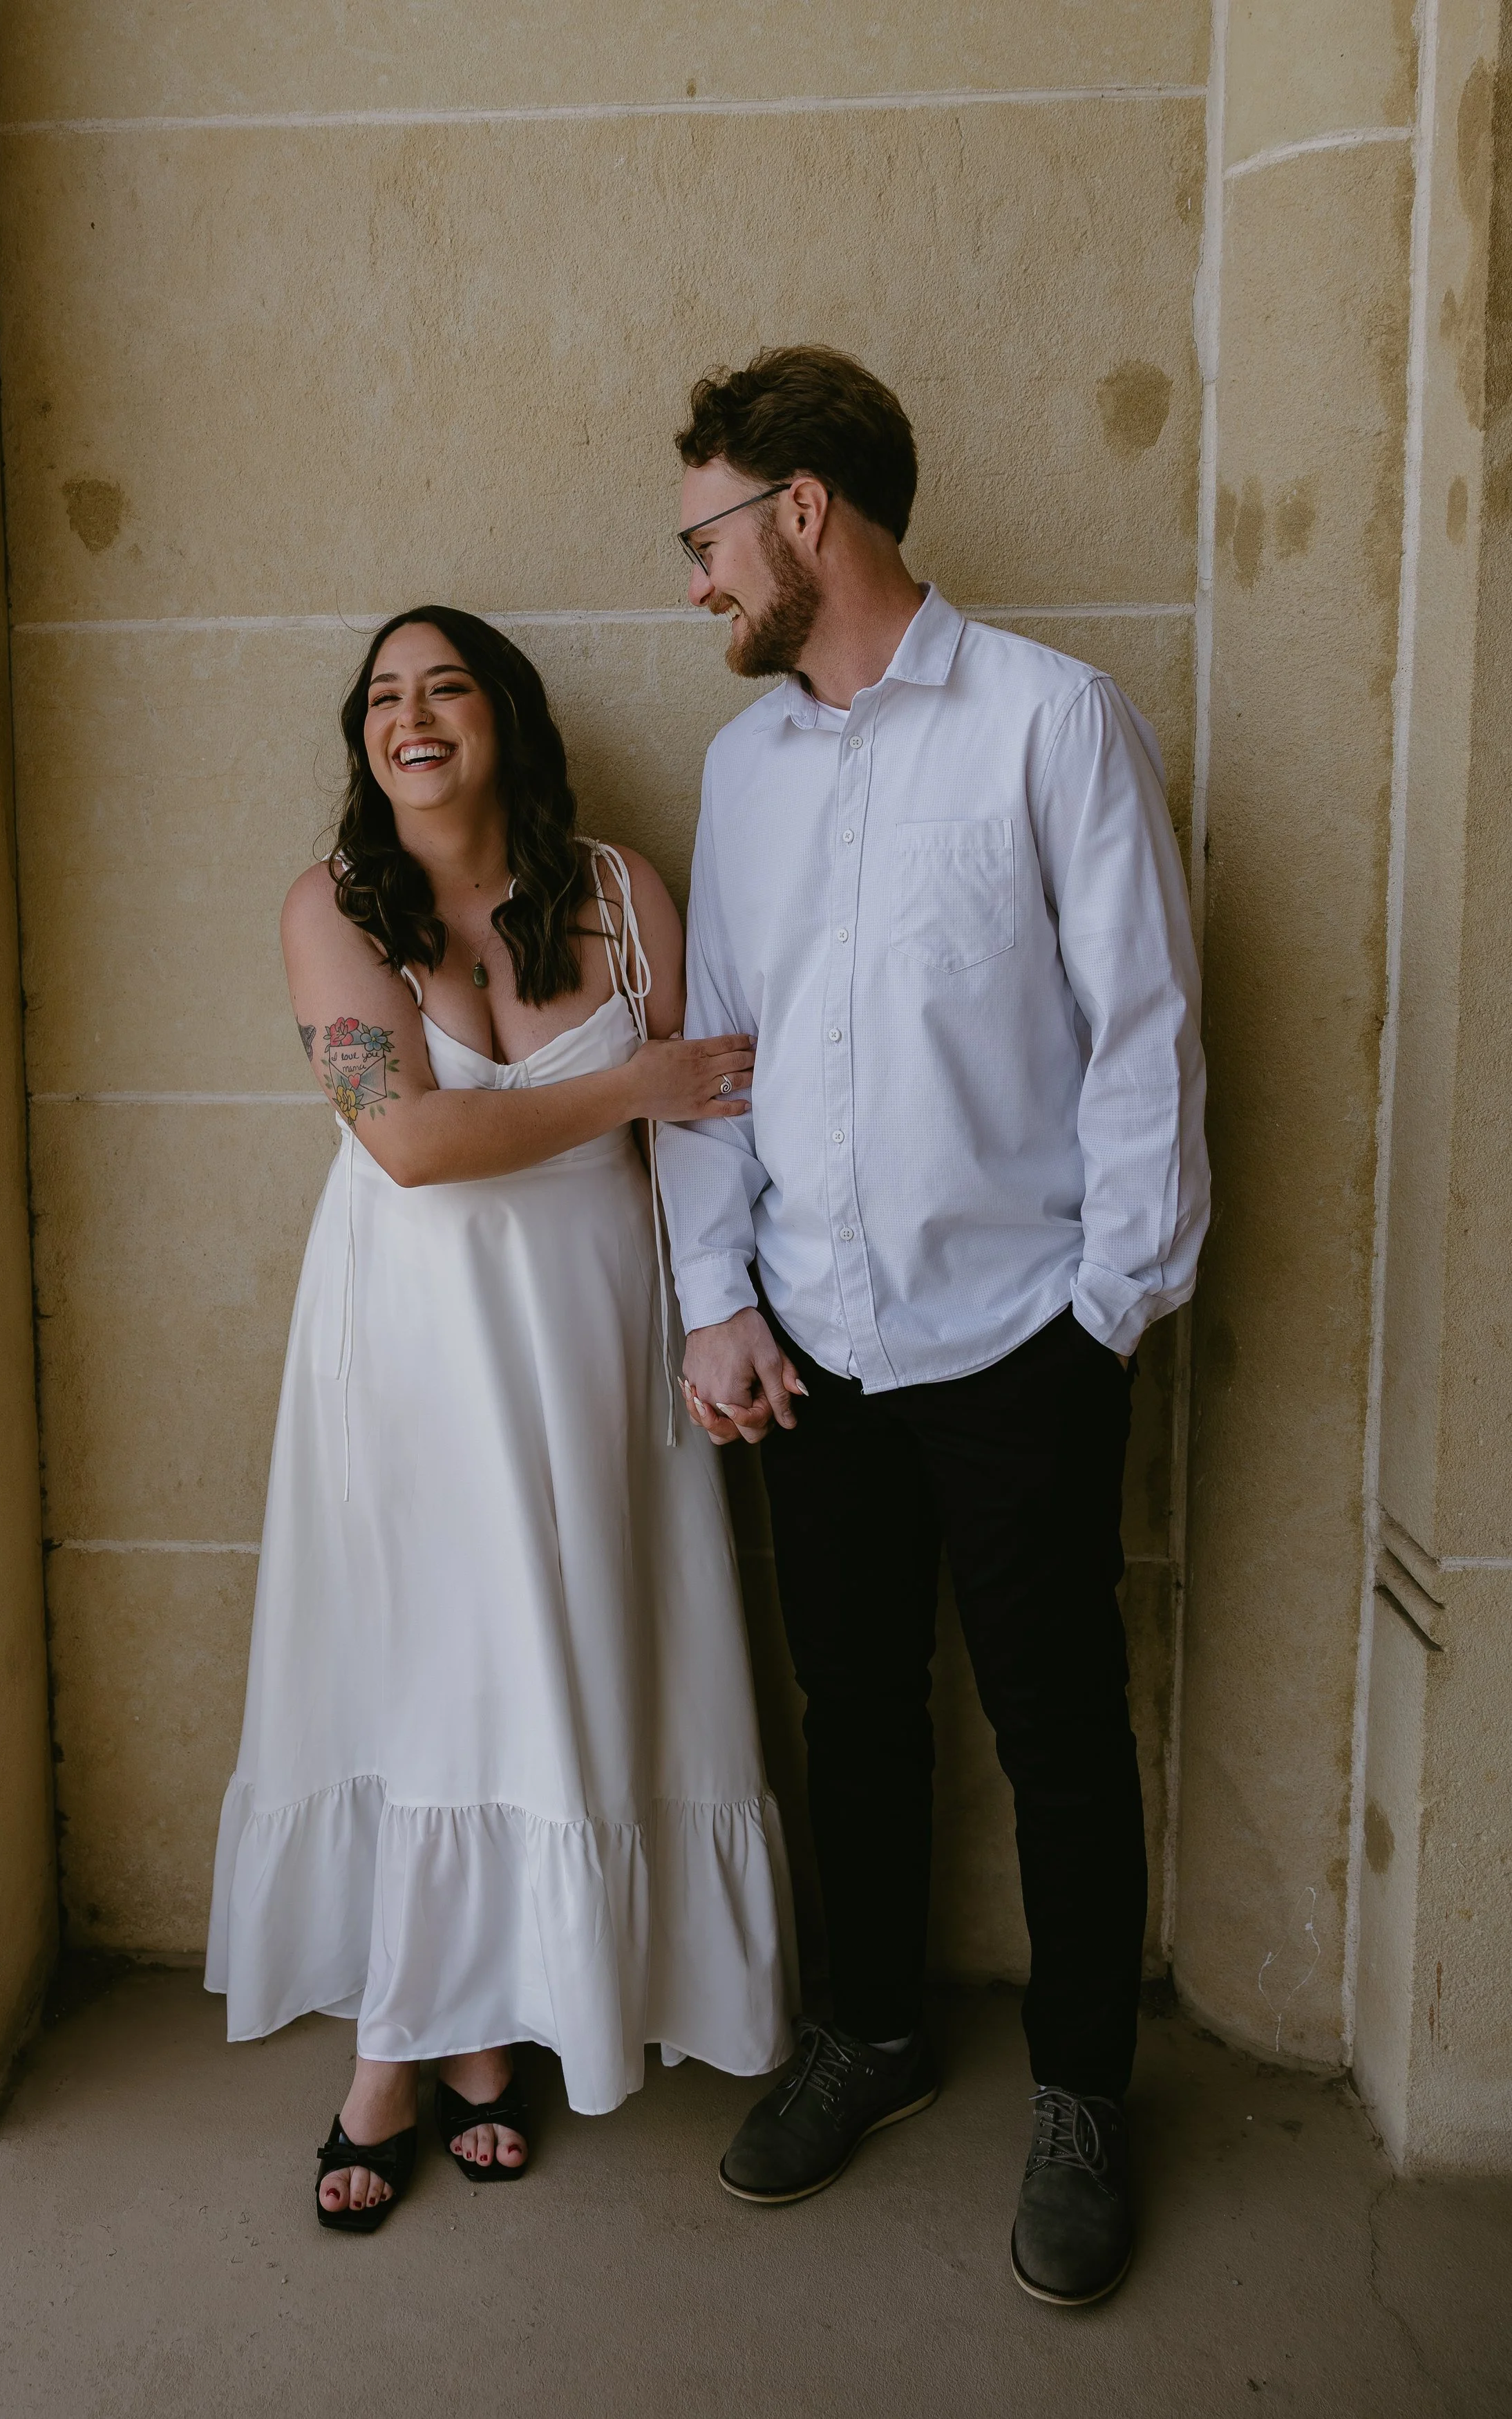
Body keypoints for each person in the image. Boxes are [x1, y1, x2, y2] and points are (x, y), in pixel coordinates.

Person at [655, 348, 1209, 2304]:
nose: (697, 578)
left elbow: (1142, 1035)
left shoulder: (1051, 725)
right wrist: (714, 1296)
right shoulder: (740, 773)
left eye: (711, 533)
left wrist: (1103, 1316)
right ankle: (869, 2031)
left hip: (1015, 1340)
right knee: (856, 1711)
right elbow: (712, 1061)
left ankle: (1079, 2092)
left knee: (1056, 1731)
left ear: (808, 510)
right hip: (812, 1342)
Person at [205, 606, 794, 2234]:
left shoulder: (619, 889)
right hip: (412, 1342)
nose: (412, 717)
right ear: (363, 741)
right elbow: (405, 1142)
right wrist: (632, 1083)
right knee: (433, 1672)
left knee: (570, 1653)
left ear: (502, 717)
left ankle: (496, 2031)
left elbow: (707, 1128)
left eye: (444, 685)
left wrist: (711, 1309)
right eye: (383, 697)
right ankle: (394, 2050)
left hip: (593, 1330)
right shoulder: (330, 911)